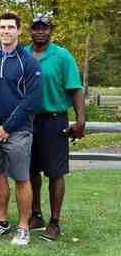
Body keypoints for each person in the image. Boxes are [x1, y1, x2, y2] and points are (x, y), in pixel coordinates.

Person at [0, 12, 41, 246]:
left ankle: (23, 227)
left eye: (10, 27)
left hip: (17, 131)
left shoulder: (28, 61)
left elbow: (31, 100)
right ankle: (1, 222)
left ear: (18, 31)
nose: (6, 31)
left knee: (21, 179)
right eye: (2, 27)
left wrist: (8, 126)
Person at [26, 13, 85, 241]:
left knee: (55, 172)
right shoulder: (23, 53)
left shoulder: (61, 55)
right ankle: (36, 214)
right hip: (28, 120)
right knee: (30, 171)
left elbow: (75, 88)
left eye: (44, 28)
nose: (40, 32)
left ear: (51, 30)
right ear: (30, 30)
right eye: (36, 28)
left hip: (53, 119)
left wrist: (80, 120)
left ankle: (55, 221)